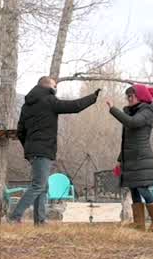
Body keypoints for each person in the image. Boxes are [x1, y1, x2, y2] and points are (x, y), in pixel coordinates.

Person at [9, 76, 101, 224]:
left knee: (43, 186)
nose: (56, 88)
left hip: (33, 151)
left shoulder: (27, 105)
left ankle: (40, 221)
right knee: (38, 185)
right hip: (43, 150)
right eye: (54, 85)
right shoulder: (49, 100)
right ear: (47, 86)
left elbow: (20, 131)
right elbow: (74, 106)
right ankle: (14, 217)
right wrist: (93, 97)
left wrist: (29, 147)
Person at [106, 84, 153, 233]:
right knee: (134, 189)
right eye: (128, 97)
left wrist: (113, 109)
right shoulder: (133, 112)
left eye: (131, 96)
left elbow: (132, 123)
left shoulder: (146, 111)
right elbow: (127, 141)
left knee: (142, 188)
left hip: (141, 157)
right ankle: (139, 224)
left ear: (140, 96)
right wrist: (120, 159)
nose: (129, 99)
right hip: (130, 158)